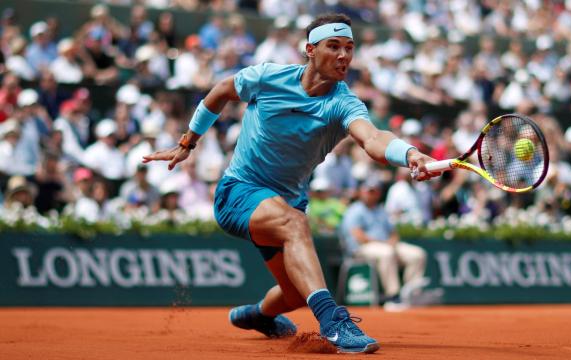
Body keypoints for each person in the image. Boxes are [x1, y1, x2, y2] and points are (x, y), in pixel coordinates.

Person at [143, 13, 439, 354]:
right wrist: (187, 143)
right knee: (294, 222)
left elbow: (372, 139)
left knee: (297, 292)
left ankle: (258, 316)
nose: (344, 56)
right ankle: (333, 321)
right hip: (239, 192)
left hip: (285, 206)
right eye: (334, 46)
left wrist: (411, 153)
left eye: (349, 48)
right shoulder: (268, 77)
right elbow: (222, 90)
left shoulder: (342, 103)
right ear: (310, 50)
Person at [341, 178, 427, 306]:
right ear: (360, 192)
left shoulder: (381, 210)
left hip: (385, 245)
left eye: (374, 191)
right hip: (361, 248)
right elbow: (359, 236)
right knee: (387, 253)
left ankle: (411, 294)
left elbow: (393, 232)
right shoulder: (354, 210)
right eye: (368, 191)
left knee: (417, 254)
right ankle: (393, 295)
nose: (371, 194)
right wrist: (385, 243)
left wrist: (392, 241)